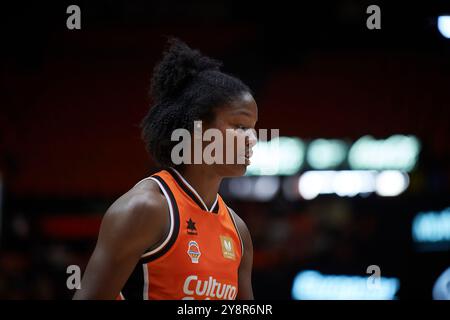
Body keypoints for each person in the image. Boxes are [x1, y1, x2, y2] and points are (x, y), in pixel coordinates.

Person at [73, 38, 258, 300]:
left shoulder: (238, 232)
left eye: (253, 128)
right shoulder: (145, 210)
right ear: (198, 129)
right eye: (240, 126)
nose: (252, 138)